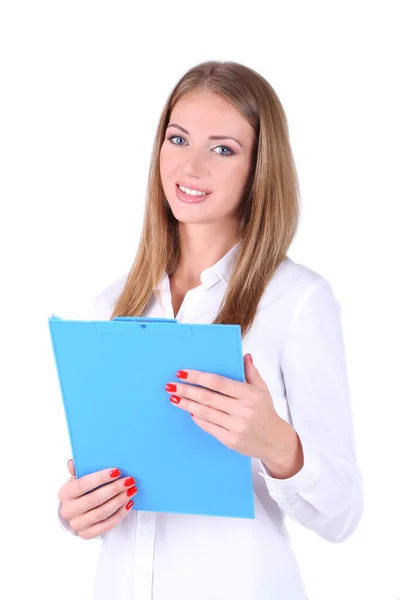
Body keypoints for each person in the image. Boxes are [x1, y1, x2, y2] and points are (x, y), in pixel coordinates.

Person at [56, 60, 363, 600]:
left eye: (222, 148)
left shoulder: (296, 302)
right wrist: (78, 509)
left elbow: (342, 516)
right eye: (178, 139)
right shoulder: (114, 303)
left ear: (258, 169)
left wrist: (278, 445)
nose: (190, 166)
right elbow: (103, 478)